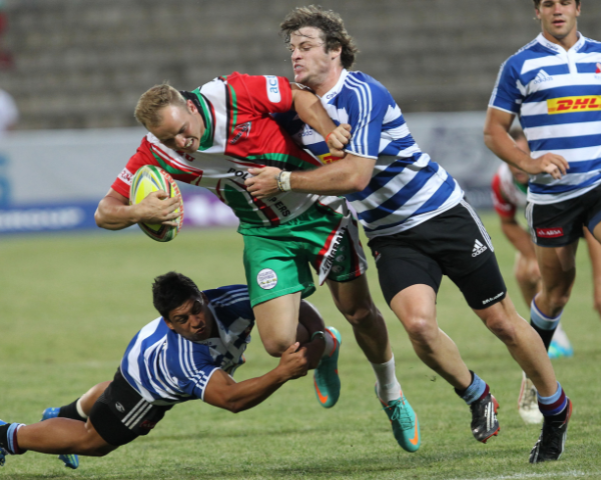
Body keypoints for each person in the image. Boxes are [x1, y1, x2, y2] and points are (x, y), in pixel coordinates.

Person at [245, 6, 571, 463]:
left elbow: (356, 177)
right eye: (291, 49)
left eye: (305, 47)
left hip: (441, 213)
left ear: (335, 51)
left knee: (500, 321)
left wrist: (283, 182)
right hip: (389, 234)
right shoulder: (296, 109)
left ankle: (556, 409)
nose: (295, 57)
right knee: (418, 325)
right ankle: (476, 392)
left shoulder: (362, 94)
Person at [94, 75, 417, 452]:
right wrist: (138, 210)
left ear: (191, 107)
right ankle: (327, 345)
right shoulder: (155, 152)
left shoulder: (230, 93)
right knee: (279, 342)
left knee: (359, 312)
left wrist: (329, 132)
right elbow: (105, 213)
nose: (181, 144)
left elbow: (297, 95)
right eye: (169, 140)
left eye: (182, 131)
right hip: (264, 234)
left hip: (318, 209)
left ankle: (390, 393)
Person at [483, 0, 601, 416]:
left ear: (578, 8)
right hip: (552, 197)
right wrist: (529, 162)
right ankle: (534, 378)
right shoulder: (519, 66)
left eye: (564, 2)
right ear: (537, 11)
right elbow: (494, 132)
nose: (557, 9)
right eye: (548, 3)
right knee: (555, 292)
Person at [0, 272, 313, 468]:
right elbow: (231, 400)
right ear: (169, 323)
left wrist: (319, 331)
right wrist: (280, 373)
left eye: (196, 309)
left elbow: (283, 303)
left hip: (158, 356)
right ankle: (7, 435)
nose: (195, 322)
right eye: (182, 319)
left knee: (109, 398)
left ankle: (63, 413)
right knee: (94, 442)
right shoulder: (183, 358)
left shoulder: (233, 298)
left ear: (202, 297)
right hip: (145, 385)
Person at [492, 127, 601, 424]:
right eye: (512, 158)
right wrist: (534, 256)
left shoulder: (558, 168)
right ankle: (551, 338)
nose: (517, 164)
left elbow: (591, 230)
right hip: (553, 230)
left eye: (524, 155)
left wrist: (600, 282)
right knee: (524, 270)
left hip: (588, 218)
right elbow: (507, 223)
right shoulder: (503, 182)